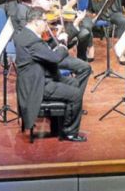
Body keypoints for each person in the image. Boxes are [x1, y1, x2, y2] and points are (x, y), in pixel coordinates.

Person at [14, 8, 86, 142]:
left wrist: (58, 40)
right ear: (36, 22)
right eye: (44, 21)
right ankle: (69, 132)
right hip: (37, 85)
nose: (46, 24)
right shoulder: (31, 41)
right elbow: (54, 58)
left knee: (74, 83)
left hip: (36, 77)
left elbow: (43, 50)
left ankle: (58, 126)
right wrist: (63, 44)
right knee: (76, 95)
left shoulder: (24, 34)